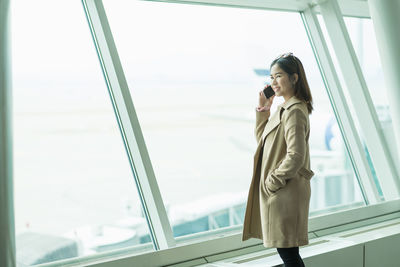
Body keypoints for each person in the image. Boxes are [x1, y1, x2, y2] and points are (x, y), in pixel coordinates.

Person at [241, 52, 315, 267]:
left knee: (289, 254)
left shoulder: (294, 111)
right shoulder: (283, 108)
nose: (273, 82)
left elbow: (295, 155)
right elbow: (264, 141)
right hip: (281, 190)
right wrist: (264, 109)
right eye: (271, 77)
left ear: (294, 78)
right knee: (288, 253)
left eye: (279, 76)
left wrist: (272, 182)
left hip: (285, 191)